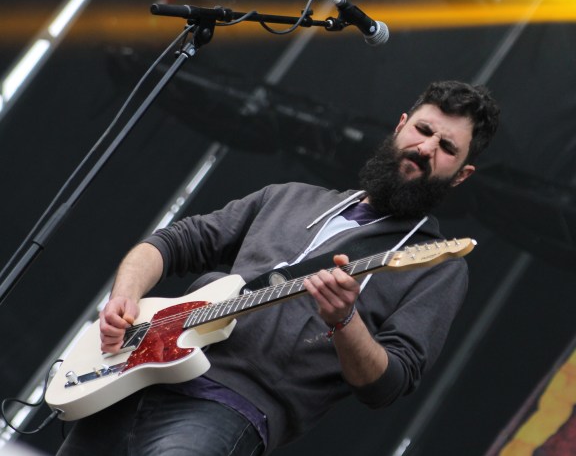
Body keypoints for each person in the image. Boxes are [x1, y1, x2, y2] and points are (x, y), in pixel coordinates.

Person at [57, 80, 500, 455]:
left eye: (446, 148)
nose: (426, 149)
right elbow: (172, 242)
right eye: (423, 130)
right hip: (133, 376)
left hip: (228, 408)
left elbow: (388, 384)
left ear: (462, 174)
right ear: (401, 125)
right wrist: (124, 298)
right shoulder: (287, 196)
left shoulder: (436, 267)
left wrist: (344, 320)